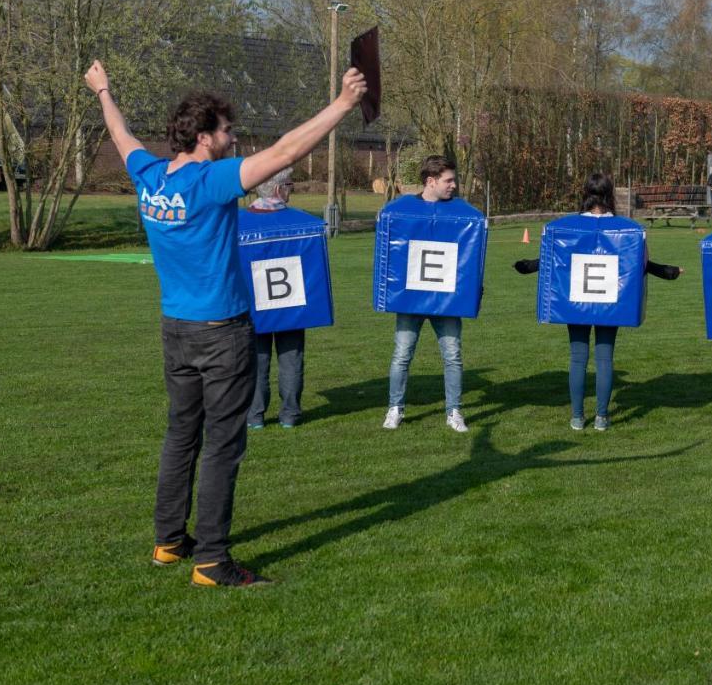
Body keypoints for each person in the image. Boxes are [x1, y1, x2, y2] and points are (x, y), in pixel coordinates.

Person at [85, 59, 366, 588]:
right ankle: (212, 560)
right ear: (206, 137)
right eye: (228, 131)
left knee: (180, 436)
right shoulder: (210, 181)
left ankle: (169, 541)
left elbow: (120, 135)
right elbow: (286, 152)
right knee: (223, 445)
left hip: (176, 330)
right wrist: (344, 105)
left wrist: (103, 91)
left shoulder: (148, 176)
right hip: (222, 333)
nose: (234, 138)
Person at [513, 172, 682, 431]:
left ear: (585, 194)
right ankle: (602, 417)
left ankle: (577, 417)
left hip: (576, 300)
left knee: (577, 357)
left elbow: (552, 261)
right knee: (605, 358)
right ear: (610, 195)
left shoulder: (565, 227)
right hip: (611, 301)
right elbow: (642, 264)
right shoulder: (630, 229)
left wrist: (527, 266)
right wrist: (667, 271)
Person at [382, 155, 470, 434]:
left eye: (454, 179)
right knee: (402, 354)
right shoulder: (402, 210)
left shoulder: (461, 213)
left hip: (446, 301)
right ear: (430, 182)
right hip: (411, 299)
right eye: (448, 180)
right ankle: (395, 408)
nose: (454, 185)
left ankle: (454, 411)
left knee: (453, 355)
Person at [245, 167, 305, 431]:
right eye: (290, 185)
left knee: (256, 362)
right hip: (291, 302)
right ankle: (289, 414)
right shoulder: (300, 222)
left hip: (252, 305)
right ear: (280, 189)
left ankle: (255, 416)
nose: (291, 189)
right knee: (291, 360)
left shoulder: (238, 222)